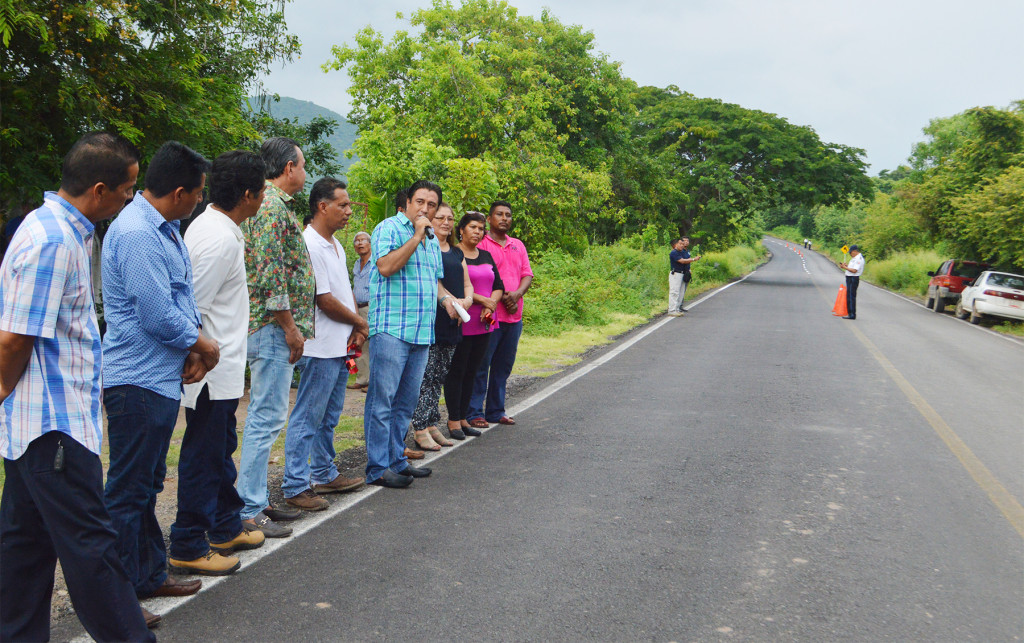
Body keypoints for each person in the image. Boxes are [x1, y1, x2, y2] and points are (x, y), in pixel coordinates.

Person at [0, 132, 157, 641]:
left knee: (23, 552)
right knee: (94, 553)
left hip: (41, 425)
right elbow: (14, 339)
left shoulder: (70, 229)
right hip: (53, 427)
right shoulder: (51, 240)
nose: (131, 197)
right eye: (128, 188)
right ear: (98, 189)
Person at [101, 141, 219, 601]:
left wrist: (192, 347)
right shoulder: (136, 233)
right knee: (128, 493)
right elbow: (155, 313)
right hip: (136, 380)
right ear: (178, 191)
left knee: (147, 486)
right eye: (196, 193)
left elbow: (179, 301)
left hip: (159, 377)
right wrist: (204, 345)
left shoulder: (164, 228)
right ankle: (119, 597)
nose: (198, 201)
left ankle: (148, 576)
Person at [168, 151, 269, 576]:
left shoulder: (221, 228)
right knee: (204, 455)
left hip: (222, 368)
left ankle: (225, 524)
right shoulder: (217, 237)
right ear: (248, 194)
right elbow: (191, 305)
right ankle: (189, 541)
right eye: (262, 190)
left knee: (220, 447)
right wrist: (198, 356)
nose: (264, 197)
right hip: (209, 370)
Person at [236, 137, 314, 537]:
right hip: (270, 328)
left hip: (268, 326)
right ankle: (248, 507)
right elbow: (271, 275)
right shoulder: (269, 206)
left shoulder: (270, 205)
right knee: (266, 417)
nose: (304, 172)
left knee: (266, 416)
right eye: (302, 165)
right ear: (287, 168)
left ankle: (256, 497)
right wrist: (289, 326)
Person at [364, 180, 459, 488]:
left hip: (421, 331)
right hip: (392, 329)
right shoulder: (388, 228)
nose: (425, 209)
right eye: (420, 202)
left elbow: (434, 282)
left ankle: (396, 461)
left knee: (405, 403)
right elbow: (386, 267)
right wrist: (417, 235)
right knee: (383, 402)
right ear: (407, 202)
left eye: (431, 204)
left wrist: (446, 300)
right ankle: (378, 468)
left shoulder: (432, 238)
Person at [281, 178, 368, 511]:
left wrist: (355, 331)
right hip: (318, 347)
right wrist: (360, 322)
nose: (348, 211)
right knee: (307, 417)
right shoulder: (310, 244)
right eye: (343, 205)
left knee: (328, 416)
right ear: (322, 206)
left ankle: (323, 472)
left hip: (337, 344)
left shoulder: (334, 244)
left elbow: (341, 292)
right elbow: (324, 298)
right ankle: (294, 484)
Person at [410, 203, 474, 450]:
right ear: (430, 219)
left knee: (440, 375)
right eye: (440, 218)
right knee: (426, 375)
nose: (446, 222)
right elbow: (432, 279)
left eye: (450, 218)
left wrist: (466, 301)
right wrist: (451, 301)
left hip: (455, 318)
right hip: (434, 317)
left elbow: (467, 283)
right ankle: (420, 425)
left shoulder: (457, 252)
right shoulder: (426, 247)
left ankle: (432, 422)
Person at [467, 201, 533, 428]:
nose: (504, 218)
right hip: (488, 316)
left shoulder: (518, 245)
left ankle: (496, 411)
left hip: (514, 317)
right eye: (499, 214)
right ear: (490, 218)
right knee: (481, 365)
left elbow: (527, 275)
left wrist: (516, 295)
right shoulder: (481, 243)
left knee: (503, 367)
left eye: (508, 215)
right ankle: (474, 412)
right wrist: (505, 296)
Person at [445, 211, 504, 440]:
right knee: (457, 371)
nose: (477, 232)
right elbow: (455, 285)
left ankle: (464, 418)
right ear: (461, 229)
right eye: (472, 227)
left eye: (481, 229)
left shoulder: (487, 256)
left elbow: (497, 285)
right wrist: (481, 299)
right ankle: (452, 419)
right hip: (462, 320)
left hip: (485, 322)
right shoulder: (454, 253)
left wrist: (491, 304)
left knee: (473, 371)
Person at [349, 230, 373, 391]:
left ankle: (372, 380)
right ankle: (362, 378)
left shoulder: (376, 261)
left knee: (372, 343)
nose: (360, 243)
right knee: (359, 343)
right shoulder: (357, 264)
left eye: (363, 240)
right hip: (357, 308)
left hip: (371, 306)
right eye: (357, 241)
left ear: (370, 244)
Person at [668, 236, 701, 316]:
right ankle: (672, 310)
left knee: (681, 292)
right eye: (680, 244)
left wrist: (688, 270)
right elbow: (682, 261)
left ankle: (677, 308)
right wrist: (693, 259)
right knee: (674, 292)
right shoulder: (674, 253)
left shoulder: (682, 252)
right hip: (676, 274)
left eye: (683, 244)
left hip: (683, 273)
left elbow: (686, 261)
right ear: (675, 245)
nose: (682, 245)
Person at [839, 245, 865, 320]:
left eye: (850, 253)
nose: (850, 254)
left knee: (851, 296)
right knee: (849, 296)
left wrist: (845, 268)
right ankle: (849, 313)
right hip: (850, 277)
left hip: (853, 278)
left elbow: (854, 270)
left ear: (854, 251)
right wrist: (846, 266)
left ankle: (852, 314)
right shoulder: (855, 258)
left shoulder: (858, 258)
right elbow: (852, 268)